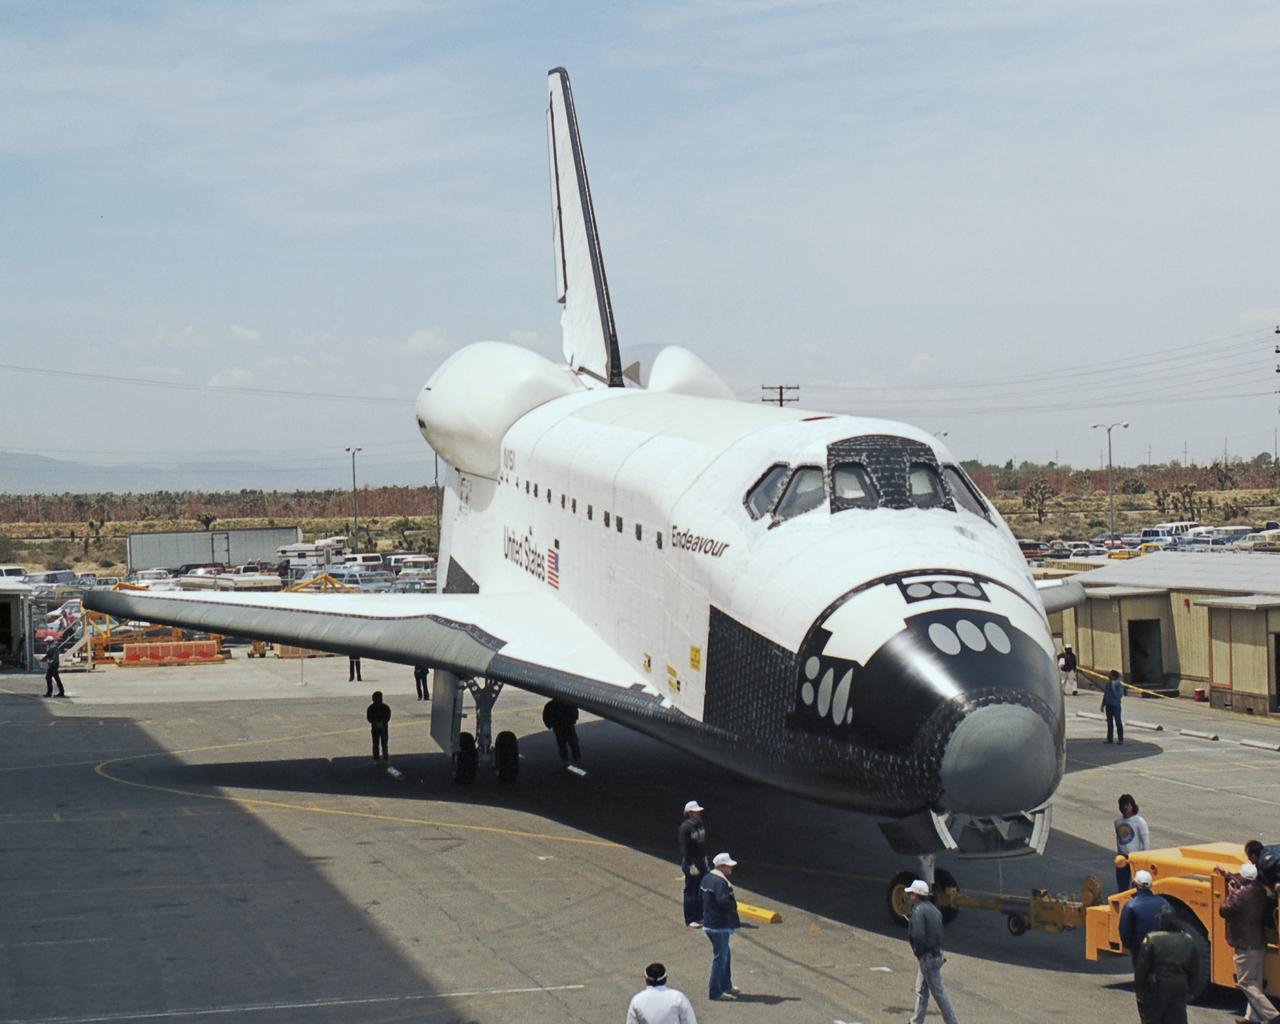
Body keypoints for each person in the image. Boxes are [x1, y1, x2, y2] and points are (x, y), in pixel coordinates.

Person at [1218, 861, 1280, 1023]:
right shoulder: (1259, 890)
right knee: (1255, 981)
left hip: (1245, 945)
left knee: (1245, 982)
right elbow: (1244, 885)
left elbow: (1224, 911)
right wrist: (1227, 875)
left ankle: (1271, 1015)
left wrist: (1231, 894)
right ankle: (1252, 1017)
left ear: (1244, 879)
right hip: (1259, 942)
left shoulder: (1239, 897)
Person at [905, 879, 960, 1024]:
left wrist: (918, 952)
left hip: (927, 957)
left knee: (938, 992)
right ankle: (916, 1021)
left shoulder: (918, 910)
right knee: (921, 990)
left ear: (916, 895)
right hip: (937, 954)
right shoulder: (935, 910)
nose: (909, 896)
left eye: (911, 893)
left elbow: (917, 935)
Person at [1133, 907, 1201, 1024]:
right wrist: (1192, 991)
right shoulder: (1189, 940)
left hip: (1158, 985)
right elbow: (1195, 969)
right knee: (1177, 1019)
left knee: (1152, 1018)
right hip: (1180, 985)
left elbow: (1142, 967)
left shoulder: (1152, 939)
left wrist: (1139, 989)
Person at [700, 852, 741, 1001]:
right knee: (720, 957)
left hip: (710, 923)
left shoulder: (707, 878)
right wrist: (733, 905)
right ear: (722, 866)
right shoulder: (721, 883)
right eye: (729, 866)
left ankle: (726, 984)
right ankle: (715, 991)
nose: (731, 868)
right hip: (719, 925)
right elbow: (723, 902)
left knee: (725, 954)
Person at [625, 962, 697, 1024]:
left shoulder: (637, 1000)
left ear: (646, 979)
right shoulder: (678, 997)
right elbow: (690, 1021)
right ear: (666, 978)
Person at [1119, 871, 1171, 955]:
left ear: (1134, 884)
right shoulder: (1164, 902)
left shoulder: (1130, 905)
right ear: (1151, 885)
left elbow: (1124, 930)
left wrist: (1129, 946)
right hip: (1161, 948)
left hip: (1140, 949)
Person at [678, 801, 709, 928]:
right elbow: (684, 848)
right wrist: (691, 865)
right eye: (696, 811)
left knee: (700, 890)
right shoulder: (685, 828)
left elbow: (702, 843)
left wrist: (705, 858)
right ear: (690, 813)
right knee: (691, 890)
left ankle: (699, 915)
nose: (698, 813)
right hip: (692, 862)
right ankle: (690, 918)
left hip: (701, 860)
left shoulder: (700, 824)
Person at [1114, 794, 1150, 892]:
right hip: (1122, 857)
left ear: (1132, 806)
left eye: (1127, 805)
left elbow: (1145, 842)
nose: (1124, 808)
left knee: (1137, 885)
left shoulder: (1140, 822)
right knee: (1122, 885)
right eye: (1122, 805)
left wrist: (1144, 858)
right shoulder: (1117, 821)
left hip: (1136, 858)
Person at [542, 699, 580, 764]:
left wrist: (549, 724)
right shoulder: (567, 703)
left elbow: (545, 715)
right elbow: (575, 711)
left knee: (566, 743)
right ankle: (574, 758)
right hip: (563, 726)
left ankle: (569, 758)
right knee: (570, 743)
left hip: (562, 727)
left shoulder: (550, 705)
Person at [366, 691, 390, 763]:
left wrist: (382, 722)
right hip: (375, 728)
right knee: (376, 744)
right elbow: (369, 718)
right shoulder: (371, 708)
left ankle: (385, 757)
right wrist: (375, 722)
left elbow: (387, 717)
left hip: (383, 728)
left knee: (384, 743)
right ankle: (377, 758)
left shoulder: (385, 708)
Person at [1102, 669, 1125, 743]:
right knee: (1109, 722)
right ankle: (1109, 738)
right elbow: (1105, 695)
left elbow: (1118, 696)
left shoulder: (1119, 685)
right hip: (1108, 705)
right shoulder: (1107, 684)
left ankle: (1120, 739)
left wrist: (1113, 686)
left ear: (1114, 676)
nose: (1109, 676)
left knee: (1118, 721)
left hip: (1116, 706)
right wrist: (1103, 705)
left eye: (1111, 675)